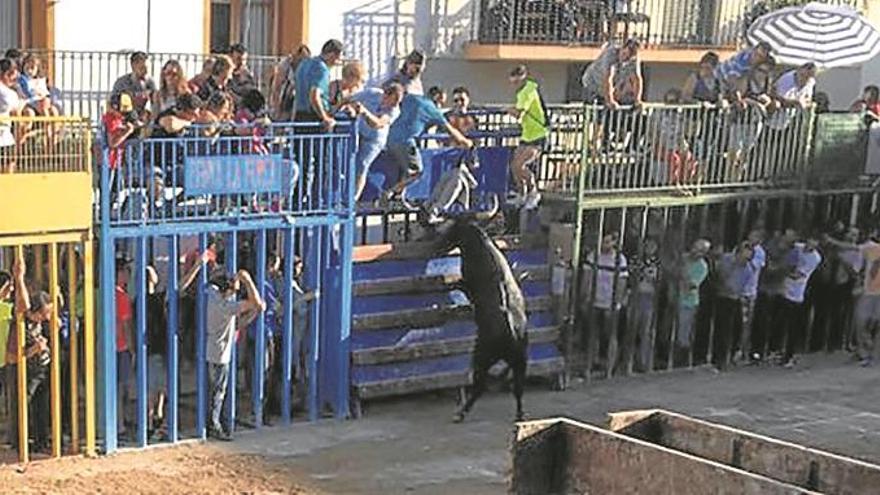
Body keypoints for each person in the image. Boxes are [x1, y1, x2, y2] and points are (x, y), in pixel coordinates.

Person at [180, 252, 265, 441]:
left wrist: (203, 264)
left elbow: (239, 321)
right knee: (218, 393)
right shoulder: (227, 306)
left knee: (212, 390)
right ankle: (214, 425)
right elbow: (258, 304)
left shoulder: (211, 295)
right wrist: (246, 279)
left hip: (210, 348)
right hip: (220, 354)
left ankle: (212, 422)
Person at [382, 91, 474, 208]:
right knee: (416, 172)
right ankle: (389, 193)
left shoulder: (412, 98)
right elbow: (452, 132)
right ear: (438, 99)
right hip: (405, 142)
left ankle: (399, 197)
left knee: (404, 169)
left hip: (389, 137)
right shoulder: (433, 110)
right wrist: (467, 142)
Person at [6, 255, 52, 452]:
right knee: (22, 406)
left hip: (40, 371)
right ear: (36, 311)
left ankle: (41, 440)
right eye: (45, 313)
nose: (47, 317)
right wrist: (19, 277)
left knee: (42, 407)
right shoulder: (21, 323)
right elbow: (12, 356)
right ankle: (20, 443)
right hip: (23, 372)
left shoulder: (40, 322)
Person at [825, 229, 880, 366]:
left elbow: (850, 247)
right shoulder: (871, 247)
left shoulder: (871, 247)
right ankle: (864, 352)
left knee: (866, 323)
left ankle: (869, 353)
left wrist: (831, 240)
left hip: (873, 292)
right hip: (869, 291)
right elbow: (852, 247)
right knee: (863, 322)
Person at [580, 233, 629, 378]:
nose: (604, 245)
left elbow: (622, 283)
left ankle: (609, 368)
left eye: (607, 242)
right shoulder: (593, 256)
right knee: (592, 335)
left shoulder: (620, 259)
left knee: (611, 336)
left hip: (610, 303)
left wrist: (616, 303)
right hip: (594, 301)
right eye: (603, 241)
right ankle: (590, 365)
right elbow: (587, 278)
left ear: (614, 242)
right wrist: (585, 298)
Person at [348, 81, 404, 200]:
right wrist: (333, 113)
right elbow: (348, 100)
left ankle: (353, 199)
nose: (393, 105)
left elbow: (378, 124)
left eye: (397, 103)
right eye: (392, 101)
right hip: (360, 131)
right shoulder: (372, 93)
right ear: (385, 95)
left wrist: (364, 112)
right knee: (347, 161)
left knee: (362, 165)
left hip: (375, 140)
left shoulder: (395, 111)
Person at [776, 237, 822, 368]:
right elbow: (786, 248)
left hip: (796, 294)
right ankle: (777, 350)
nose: (810, 245)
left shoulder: (815, 258)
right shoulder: (798, 247)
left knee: (792, 326)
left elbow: (798, 275)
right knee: (779, 322)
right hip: (783, 289)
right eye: (809, 241)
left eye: (814, 242)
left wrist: (781, 270)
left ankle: (789, 355)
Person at [507, 65, 548, 210]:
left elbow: (519, 113)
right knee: (514, 166)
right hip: (527, 134)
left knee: (520, 165)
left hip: (538, 134)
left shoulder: (528, 91)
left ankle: (533, 192)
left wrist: (507, 110)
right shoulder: (524, 91)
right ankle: (522, 194)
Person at [714, 242, 754, 371]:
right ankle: (717, 357)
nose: (744, 261)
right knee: (719, 328)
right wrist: (731, 268)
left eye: (747, 258)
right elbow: (718, 275)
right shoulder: (726, 259)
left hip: (732, 298)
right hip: (719, 295)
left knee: (731, 329)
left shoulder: (747, 270)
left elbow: (737, 288)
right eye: (743, 257)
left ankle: (727, 357)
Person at [627, 237, 660, 373]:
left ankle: (645, 362)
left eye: (653, 246)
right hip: (636, 295)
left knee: (646, 332)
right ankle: (628, 362)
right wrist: (642, 273)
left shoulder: (657, 262)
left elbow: (659, 280)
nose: (650, 248)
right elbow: (630, 276)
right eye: (647, 245)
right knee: (631, 330)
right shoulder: (635, 259)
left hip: (649, 296)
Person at [293, 39, 344, 130]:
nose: (337, 63)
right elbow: (314, 96)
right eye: (338, 59)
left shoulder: (304, 63)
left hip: (299, 115)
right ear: (333, 55)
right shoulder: (322, 69)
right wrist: (325, 118)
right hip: (314, 117)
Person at [675, 239, 711, 366]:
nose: (696, 251)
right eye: (695, 247)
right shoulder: (683, 257)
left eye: (700, 250)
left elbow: (691, 285)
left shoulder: (702, 266)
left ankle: (681, 360)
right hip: (674, 298)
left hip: (688, 302)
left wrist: (682, 270)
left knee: (683, 332)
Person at [580, 38, 642, 108]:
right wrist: (610, 101)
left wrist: (637, 100)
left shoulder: (633, 60)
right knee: (592, 109)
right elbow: (607, 78)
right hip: (592, 84)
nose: (626, 58)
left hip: (606, 90)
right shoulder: (610, 53)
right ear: (622, 48)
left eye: (630, 56)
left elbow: (636, 79)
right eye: (625, 54)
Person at [145, 266, 168, 439]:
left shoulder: (139, 300)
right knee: (155, 389)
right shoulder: (155, 300)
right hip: (156, 349)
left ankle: (155, 420)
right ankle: (151, 424)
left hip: (152, 348)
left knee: (156, 388)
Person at [737, 229, 766, 363]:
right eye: (750, 235)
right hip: (737, 290)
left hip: (748, 292)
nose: (750, 238)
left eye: (754, 236)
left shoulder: (759, 253)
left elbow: (750, 266)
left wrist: (745, 254)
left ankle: (743, 351)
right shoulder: (742, 247)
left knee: (745, 323)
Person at [114, 257, 134, 439]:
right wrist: (132, 348)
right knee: (121, 388)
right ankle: (120, 425)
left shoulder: (105, 293)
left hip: (109, 347)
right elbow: (126, 324)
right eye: (126, 270)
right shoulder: (121, 297)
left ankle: (119, 422)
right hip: (121, 347)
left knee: (116, 388)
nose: (129, 273)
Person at [271, 45, 311, 121]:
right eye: (300, 59)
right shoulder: (285, 65)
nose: (302, 62)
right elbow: (277, 86)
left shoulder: (306, 67)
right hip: (285, 95)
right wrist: (276, 106)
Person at [111, 51, 156, 117]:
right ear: (133, 66)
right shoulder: (122, 83)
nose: (145, 72)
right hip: (125, 116)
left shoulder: (150, 82)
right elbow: (112, 103)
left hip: (144, 117)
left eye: (147, 69)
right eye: (142, 68)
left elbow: (155, 104)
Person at [17, 53, 60, 119]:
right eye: (27, 68)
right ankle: (46, 128)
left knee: (53, 110)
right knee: (37, 111)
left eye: (32, 68)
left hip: (42, 102)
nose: (29, 71)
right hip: (29, 102)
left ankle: (55, 129)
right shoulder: (22, 80)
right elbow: (25, 93)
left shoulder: (41, 80)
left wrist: (44, 96)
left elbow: (46, 93)